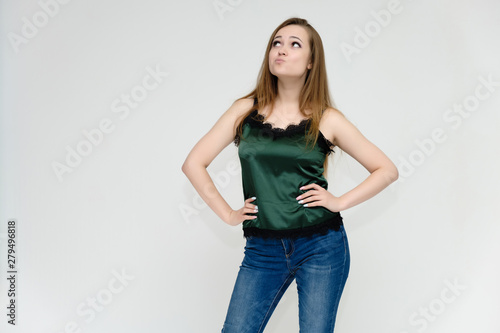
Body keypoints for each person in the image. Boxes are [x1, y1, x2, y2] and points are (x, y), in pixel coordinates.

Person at [182, 17, 399, 333]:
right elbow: (193, 163)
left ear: (311, 62)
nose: (281, 50)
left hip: (321, 245)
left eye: (294, 44)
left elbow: (386, 170)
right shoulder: (244, 110)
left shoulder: (328, 119)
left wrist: (338, 201)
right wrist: (228, 213)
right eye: (276, 43)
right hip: (262, 248)